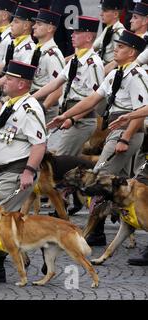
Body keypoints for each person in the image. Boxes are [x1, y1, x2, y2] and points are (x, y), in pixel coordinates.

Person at [48, 30, 148, 246]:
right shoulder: (114, 74)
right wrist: (66, 115)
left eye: (121, 47)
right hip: (116, 131)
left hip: (126, 133)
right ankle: (120, 231)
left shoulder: (137, 76)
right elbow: (92, 99)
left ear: (132, 52)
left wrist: (125, 138)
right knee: (117, 185)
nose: (115, 49)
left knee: (97, 179)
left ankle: (94, 232)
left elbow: (140, 111)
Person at [0, 60, 47, 283]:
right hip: (3, 172)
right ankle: (44, 245)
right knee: (4, 220)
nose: (4, 81)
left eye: (9, 79)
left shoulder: (29, 108)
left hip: (16, 172)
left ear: (22, 83)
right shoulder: (11, 104)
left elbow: (39, 144)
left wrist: (28, 172)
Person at [33, 16, 104, 157]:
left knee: (61, 161)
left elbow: (94, 99)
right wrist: (29, 98)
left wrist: (73, 119)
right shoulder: (75, 60)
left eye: (77, 33)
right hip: (69, 116)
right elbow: (55, 83)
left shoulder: (93, 64)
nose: (72, 35)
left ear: (89, 37)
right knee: (68, 163)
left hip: (81, 120)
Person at [93, 0, 126, 66]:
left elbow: (120, 59)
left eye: (105, 11)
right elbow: (93, 47)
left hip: (110, 70)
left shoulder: (118, 32)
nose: (101, 14)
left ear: (115, 14)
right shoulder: (108, 28)